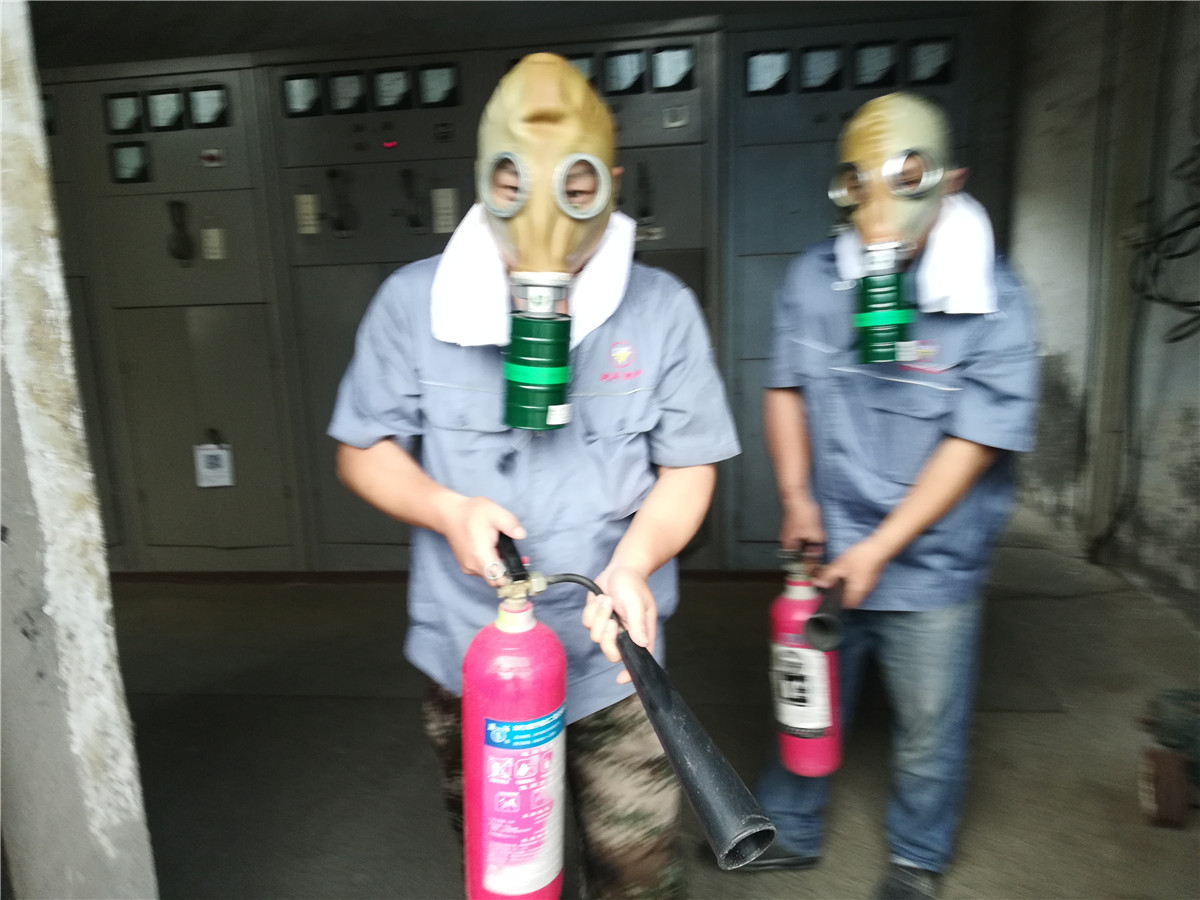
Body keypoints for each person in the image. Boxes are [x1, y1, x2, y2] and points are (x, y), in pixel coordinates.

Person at [328, 53, 739, 899]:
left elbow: (689, 467)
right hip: (472, 659)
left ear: (610, 186)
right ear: (485, 181)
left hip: (614, 663)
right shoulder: (412, 304)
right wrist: (444, 508)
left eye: (575, 190)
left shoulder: (661, 310)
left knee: (637, 876)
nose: (543, 220)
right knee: (511, 876)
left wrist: (636, 562)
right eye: (514, 185)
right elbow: (361, 448)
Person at [740, 92, 1041, 900]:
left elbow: (974, 442)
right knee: (804, 694)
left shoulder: (997, 300)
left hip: (932, 561)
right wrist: (797, 497)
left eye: (908, 180)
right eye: (861, 184)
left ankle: (916, 856)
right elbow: (785, 387)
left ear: (951, 182)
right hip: (826, 547)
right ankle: (790, 828)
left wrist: (879, 548)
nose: (881, 210)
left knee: (928, 724)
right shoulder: (815, 279)